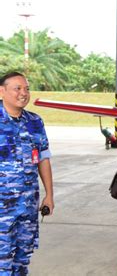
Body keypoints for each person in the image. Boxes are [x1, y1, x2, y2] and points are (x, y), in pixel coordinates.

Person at [0, 72, 54, 275]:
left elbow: (43, 158)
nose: (23, 93)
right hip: (2, 209)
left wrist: (49, 194)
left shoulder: (34, 122)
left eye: (26, 88)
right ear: (2, 91)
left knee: (22, 260)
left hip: (27, 206)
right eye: (17, 88)